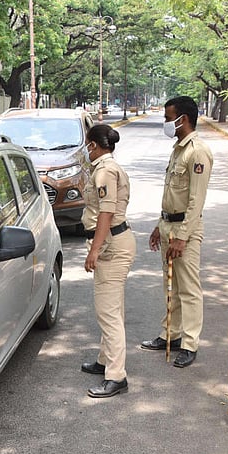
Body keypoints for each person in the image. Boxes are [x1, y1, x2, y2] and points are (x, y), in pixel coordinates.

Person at [141, 96, 213, 368]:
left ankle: (190, 343)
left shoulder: (197, 152)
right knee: (171, 285)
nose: (166, 122)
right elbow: (172, 195)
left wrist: (182, 237)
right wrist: (159, 226)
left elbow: (196, 201)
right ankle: (169, 334)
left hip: (186, 229)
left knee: (189, 288)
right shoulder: (178, 150)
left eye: (168, 117)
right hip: (169, 224)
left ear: (182, 118)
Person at [79, 124, 137, 398]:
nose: (85, 149)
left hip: (111, 246)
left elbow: (106, 213)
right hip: (116, 242)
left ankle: (116, 376)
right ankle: (105, 360)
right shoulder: (108, 167)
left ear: (94, 145)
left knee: (108, 313)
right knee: (113, 308)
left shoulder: (104, 171)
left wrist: (95, 249)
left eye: (87, 144)